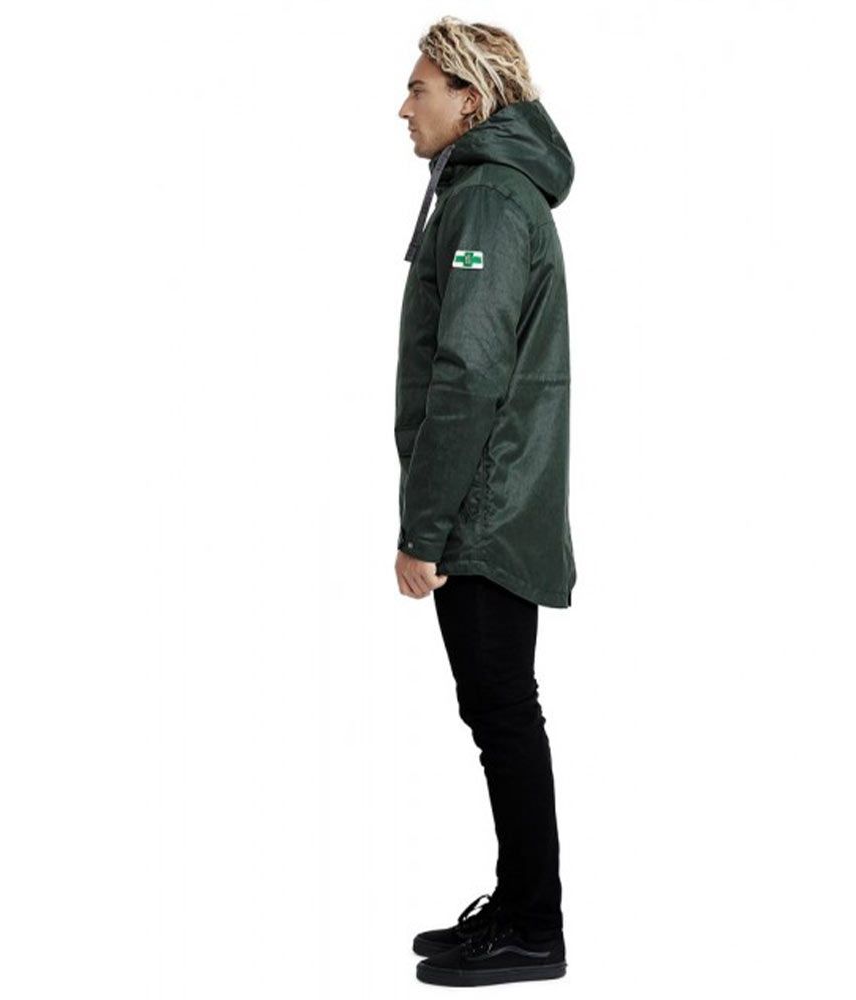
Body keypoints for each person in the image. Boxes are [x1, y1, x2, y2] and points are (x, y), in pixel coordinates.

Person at [393, 16, 576, 987]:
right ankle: (518, 908)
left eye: (420, 87)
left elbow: (466, 373)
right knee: (499, 710)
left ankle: (533, 928)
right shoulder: (482, 191)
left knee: (503, 712)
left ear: (470, 99)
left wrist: (424, 530)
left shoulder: (489, 201)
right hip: (492, 496)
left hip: (483, 508)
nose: (403, 106)